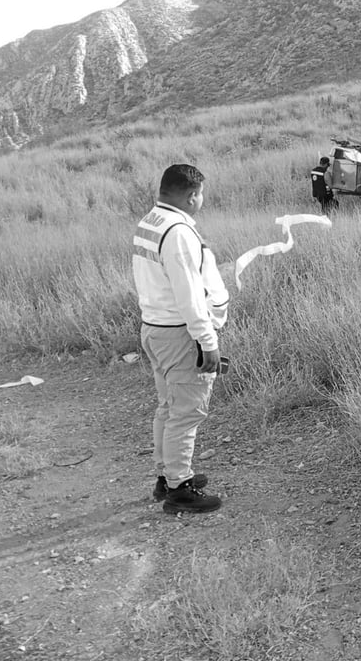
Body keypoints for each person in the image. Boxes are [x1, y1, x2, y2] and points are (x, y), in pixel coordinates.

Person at [132, 164, 229, 514]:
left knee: (168, 406)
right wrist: (207, 341)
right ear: (191, 196)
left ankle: (166, 475)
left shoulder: (151, 221)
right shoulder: (178, 233)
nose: (201, 200)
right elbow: (188, 294)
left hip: (155, 328)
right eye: (200, 195)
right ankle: (178, 487)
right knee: (186, 412)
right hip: (178, 334)